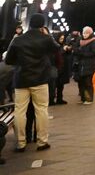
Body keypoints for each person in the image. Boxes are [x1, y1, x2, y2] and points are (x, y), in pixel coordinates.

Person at [4, 13, 58, 152]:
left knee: (20, 111)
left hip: (21, 79)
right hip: (40, 79)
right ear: (42, 24)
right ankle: (42, 141)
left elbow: (8, 60)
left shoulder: (18, 40)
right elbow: (56, 49)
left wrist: (21, 62)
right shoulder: (46, 39)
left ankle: (21, 142)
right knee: (41, 110)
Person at [73, 26, 95, 105]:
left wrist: (83, 53)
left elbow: (94, 52)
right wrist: (77, 51)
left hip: (89, 65)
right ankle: (82, 98)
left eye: (87, 33)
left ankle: (89, 99)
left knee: (88, 83)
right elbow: (75, 49)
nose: (85, 34)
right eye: (84, 33)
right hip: (80, 65)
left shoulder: (93, 41)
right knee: (81, 82)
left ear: (90, 33)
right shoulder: (79, 40)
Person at [54, 32, 73, 105]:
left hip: (63, 67)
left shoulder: (63, 45)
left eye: (63, 38)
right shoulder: (55, 46)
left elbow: (68, 54)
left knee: (61, 85)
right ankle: (52, 100)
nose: (62, 40)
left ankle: (60, 99)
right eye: (60, 38)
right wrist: (63, 50)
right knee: (55, 85)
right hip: (57, 67)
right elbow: (56, 55)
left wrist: (68, 49)